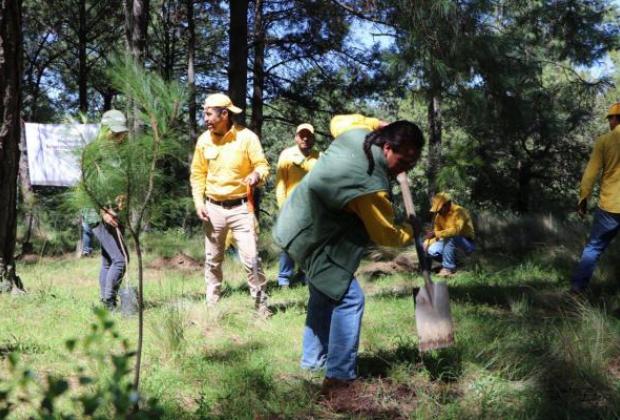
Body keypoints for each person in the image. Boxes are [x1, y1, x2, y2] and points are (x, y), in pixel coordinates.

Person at [273, 114, 424, 394]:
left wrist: (374, 122)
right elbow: (386, 236)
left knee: (323, 293)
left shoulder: (356, 133)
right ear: (387, 148)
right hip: (313, 236)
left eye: (410, 165)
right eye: (402, 162)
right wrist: (410, 229)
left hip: (296, 220)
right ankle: (340, 379)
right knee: (349, 298)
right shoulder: (371, 186)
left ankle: (312, 363)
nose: (403, 170)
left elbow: (335, 121)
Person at [190, 93, 270, 312]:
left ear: (224, 114)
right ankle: (212, 305)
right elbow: (197, 174)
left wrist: (256, 176)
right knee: (212, 260)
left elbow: (262, 166)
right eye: (204, 114)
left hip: (242, 208)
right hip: (212, 208)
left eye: (208, 114)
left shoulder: (247, 138)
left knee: (251, 258)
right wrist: (199, 202)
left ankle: (261, 306)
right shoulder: (204, 140)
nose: (205, 119)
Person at [81, 109, 129, 310]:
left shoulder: (118, 152)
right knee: (121, 260)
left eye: (122, 133)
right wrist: (103, 212)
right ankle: (108, 302)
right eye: (115, 132)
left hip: (114, 212)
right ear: (105, 129)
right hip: (97, 214)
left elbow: (118, 181)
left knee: (109, 261)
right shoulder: (93, 152)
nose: (119, 136)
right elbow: (89, 187)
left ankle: (106, 304)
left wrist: (122, 196)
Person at [570, 103, 620, 293]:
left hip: (609, 206)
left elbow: (590, 174)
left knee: (593, 249)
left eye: (610, 118)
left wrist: (583, 199)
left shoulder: (604, 141)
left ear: (615, 118)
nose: (609, 122)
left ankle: (577, 289)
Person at [275, 123, 320, 287]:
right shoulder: (286, 155)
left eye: (309, 135)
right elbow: (280, 183)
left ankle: (305, 277)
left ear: (313, 138)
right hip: (291, 209)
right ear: (296, 137)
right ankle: (284, 280)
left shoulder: (319, 157)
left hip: (313, 209)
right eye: (302, 135)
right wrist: (282, 207)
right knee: (289, 244)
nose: (305, 138)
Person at [423, 192, 475, 277]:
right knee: (431, 250)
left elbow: (455, 231)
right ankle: (457, 263)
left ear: (447, 204)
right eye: (437, 210)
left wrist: (436, 234)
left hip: (466, 244)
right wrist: (426, 243)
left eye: (439, 209)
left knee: (450, 237)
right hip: (449, 243)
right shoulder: (439, 217)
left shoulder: (459, 212)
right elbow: (437, 235)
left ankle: (448, 268)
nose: (438, 212)